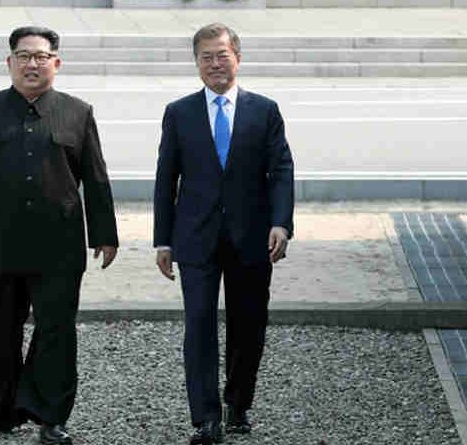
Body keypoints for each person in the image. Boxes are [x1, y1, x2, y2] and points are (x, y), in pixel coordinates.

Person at [0, 26, 119, 445]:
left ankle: (51, 416)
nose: (32, 64)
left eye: (41, 56)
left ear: (56, 63)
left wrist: (105, 234)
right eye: (23, 56)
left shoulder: (78, 112)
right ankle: (6, 413)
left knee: (57, 333)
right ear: (9, 63)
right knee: (0, 335)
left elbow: (95, 178)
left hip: (57, 248)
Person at [153, 23, 295, 445]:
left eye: (222, 55)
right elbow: (166, 179)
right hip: (195, 238)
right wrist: (163, 239)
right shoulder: (179, 112)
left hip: (252, 237)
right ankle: (205, 418)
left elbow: (282, 170)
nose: (215, 64)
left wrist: (281, 223)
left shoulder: (264, 109)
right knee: (198, 325)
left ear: (238, 57)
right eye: (206, 57)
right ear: (196, 63)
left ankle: (238, 405)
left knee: (247, 325)